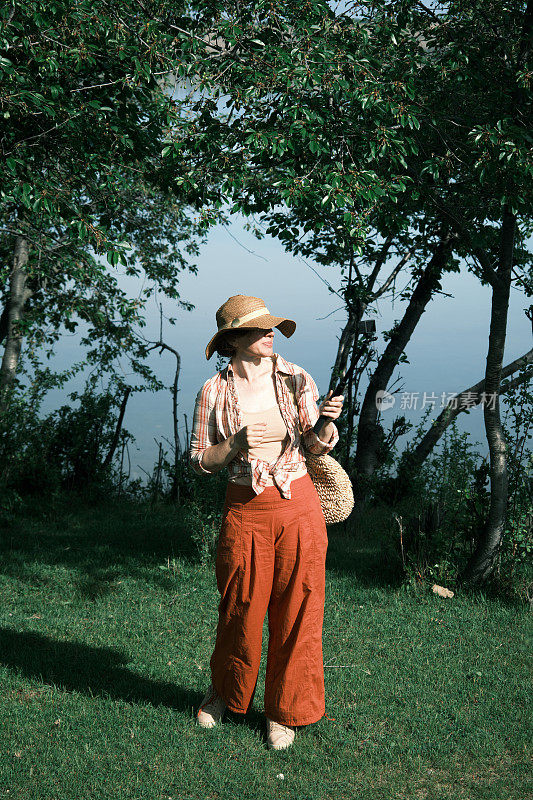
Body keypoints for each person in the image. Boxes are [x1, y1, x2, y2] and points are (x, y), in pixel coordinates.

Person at [189, 294, 344, 750]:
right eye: (260, 328)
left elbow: (313, 448)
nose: (270, 333)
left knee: (300, 609)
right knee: (240, 608)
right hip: (245, 512)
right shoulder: (213, 392)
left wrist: (325, 428)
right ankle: (225, 694)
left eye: (271, 326)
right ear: (234, 340)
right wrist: (235, 442)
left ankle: (284, 712)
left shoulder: (298, 378)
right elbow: (200, 463)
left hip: (299, 506)